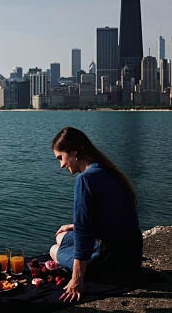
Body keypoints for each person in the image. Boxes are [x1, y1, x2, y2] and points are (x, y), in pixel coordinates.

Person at [50, 127, 143, 302]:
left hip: (112, 264)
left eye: (61, 158)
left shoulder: (85, 179)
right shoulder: (108, 170)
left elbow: (84, 235)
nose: (61, 165)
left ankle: (83, 267)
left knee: (54, 250)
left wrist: (76, 280)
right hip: (131, 256)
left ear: (74, 152)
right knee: (61, 236)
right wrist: (74, 226)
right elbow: (115, 219)